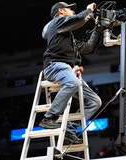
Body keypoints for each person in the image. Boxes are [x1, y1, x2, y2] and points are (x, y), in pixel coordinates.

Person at [39, 1, 104, 144]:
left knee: (95, 102)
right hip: (55, 66)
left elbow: (88, 48)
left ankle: (70, 128)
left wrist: (98, 30)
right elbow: (79, 19)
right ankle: (49, 118)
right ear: (61, 11)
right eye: (70, 9)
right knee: (72, 82)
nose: (73, 11)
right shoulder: (56, 23)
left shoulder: (67, 37)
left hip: (68, 70)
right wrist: (88, 10)